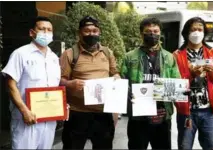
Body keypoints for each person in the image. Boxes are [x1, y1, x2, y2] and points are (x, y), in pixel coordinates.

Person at [60, 16, 120, 149]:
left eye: (95, 31)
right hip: (77, 113)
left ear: (99, 32)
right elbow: (60, 81)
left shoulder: (107, 52)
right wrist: (71, 84)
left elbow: (114, 72)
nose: (91, 34)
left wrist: (116, 78)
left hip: (103, 113)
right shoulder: (70, 54)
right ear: (79, 33)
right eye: (87, 31)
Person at [120, 17, 181, 150]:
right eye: (148, 31)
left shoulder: (169, 57)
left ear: (160, 33)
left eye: (155, 31)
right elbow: (122, 82)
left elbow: (177, 84)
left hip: (162, 115)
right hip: (138, 117)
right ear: (141, 34)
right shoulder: (130, 57)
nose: (152, 34)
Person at [1, 16, 61, 149]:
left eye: (49, 30)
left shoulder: (54, 58)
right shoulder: (20, 54)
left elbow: (55, 87)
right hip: (26, 119)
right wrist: (24, 111)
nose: (46, 32)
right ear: (32, 33)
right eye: (42, 29)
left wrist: (61, 105)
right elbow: (10, 85)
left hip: (49, 119)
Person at [173, 17, 213, 150]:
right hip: (186, 112)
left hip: (209, 111)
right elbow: (173, 84)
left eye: (199, 29)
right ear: (186, 33)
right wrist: (192, 75)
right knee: (184, 147)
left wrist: (212, 72)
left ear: (204, 32)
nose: (196, 33)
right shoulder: (177, 55)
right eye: (193, 30)